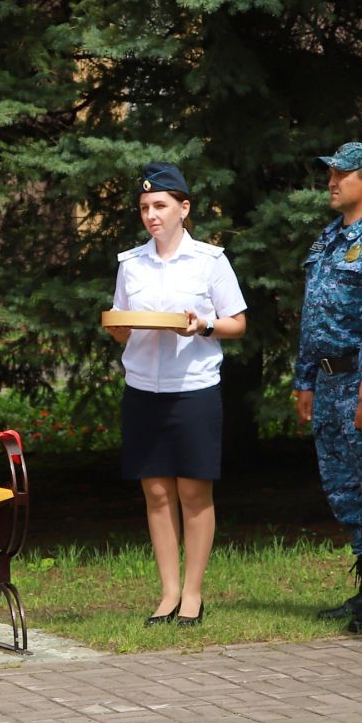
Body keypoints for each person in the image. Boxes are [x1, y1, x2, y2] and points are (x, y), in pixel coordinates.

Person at [106, 162, 247, 627]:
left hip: (194, 389)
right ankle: (167, 593)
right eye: (145, 207)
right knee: (156, 492)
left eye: (161, 206)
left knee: (193, 490)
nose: (152, 215)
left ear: (184, 209)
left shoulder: (209, 261)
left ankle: (193, 594)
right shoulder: (131, 264)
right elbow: (123, 323)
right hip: (143, 389)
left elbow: (237, 323)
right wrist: (118, 328)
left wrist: (203, 325)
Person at [294, 143, 362, 632]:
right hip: (326, 378)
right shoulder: (329, 237)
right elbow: (312, 313)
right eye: (330, 173)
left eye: (342, 174)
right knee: (345, 489)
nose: (332, 181)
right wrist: (305, 379)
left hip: (360, 377)